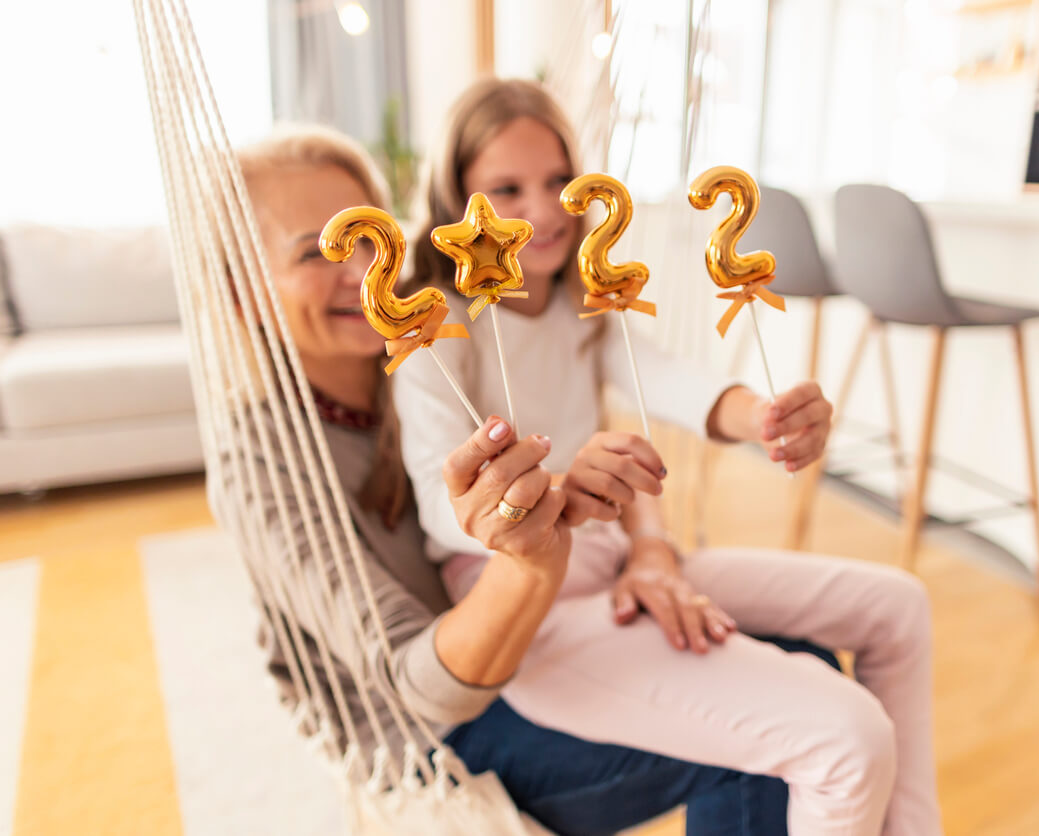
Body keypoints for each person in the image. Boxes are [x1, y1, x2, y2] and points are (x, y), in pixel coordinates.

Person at [224, 125, 819, 836]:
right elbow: (429, 688)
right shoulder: (261, 465)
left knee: (803, 658)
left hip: (537, 640)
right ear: (245, 292)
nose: (362, 272)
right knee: (772, 736)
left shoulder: (437, 370)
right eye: (315, 253)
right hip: (442, 734)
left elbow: (605, 430)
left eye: (369, 239)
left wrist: (650, 547)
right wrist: (530, 557)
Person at [395, 79, 942, 836]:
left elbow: (677, 384)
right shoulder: (437, 328)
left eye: (558, 180)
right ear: (458, 207)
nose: (545, 209)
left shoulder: (583, 310)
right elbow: (440, 507)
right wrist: (556, 496)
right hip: (528, 608)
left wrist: (768, 417)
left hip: (620, 565)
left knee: (900, 607)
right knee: (848, 739)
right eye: (506, 189)